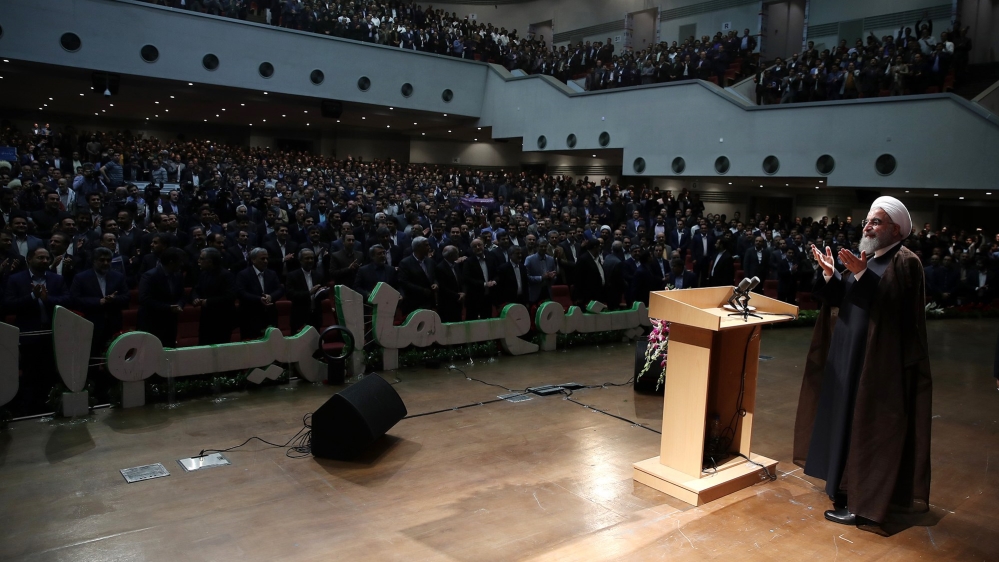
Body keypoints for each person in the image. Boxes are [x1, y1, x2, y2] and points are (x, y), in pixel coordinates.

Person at [793, 196, 931, 536]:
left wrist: (861, 274)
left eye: (876, 221)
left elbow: (899, 311)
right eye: (868, 221)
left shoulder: (905, 262)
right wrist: (831, 275)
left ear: (896, 229)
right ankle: (845, 488)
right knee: (847, 421)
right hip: (848, 357)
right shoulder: (866, 259)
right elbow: (846, 300)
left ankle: (865, 506)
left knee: (870, 428)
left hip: (877, 364)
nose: (867, 226)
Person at [3, 247, 70, 414]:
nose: (45, 261)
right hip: (28, 335)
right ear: (29, 259)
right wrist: (32, 297)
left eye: (47, 258)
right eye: (40, 258)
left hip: (52, 335)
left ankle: (52, 407)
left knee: (51, 373)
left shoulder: (57, 279)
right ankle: (29, 411)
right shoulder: (16, 279)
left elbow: (67, 300)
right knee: (29, 375)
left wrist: (48, 299)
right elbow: (8, 305)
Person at [136, 247, 186, 348]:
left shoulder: (178, 275)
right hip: (152, 322)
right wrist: (168, 307)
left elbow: (182, 295)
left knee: (169, 351)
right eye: (180, 261)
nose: (182, 264)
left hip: (170, 323)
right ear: (171, 262)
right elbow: (144, 299)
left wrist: (179, 305)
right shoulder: (150, 276)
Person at [235, 247, 284, 340]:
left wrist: (271, 297)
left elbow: (280, 290)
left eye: (267, 258)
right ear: (253, 260)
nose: (266, 261)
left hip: (270, 316)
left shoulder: (272, 274)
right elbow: (241, 293)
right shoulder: (243, 274)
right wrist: (259, 299)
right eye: (262, 259)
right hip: (250, 317)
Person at [190, 247, 236, 345]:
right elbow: (196, 289)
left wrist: (207, 302)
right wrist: (195, 298)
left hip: (222, 319)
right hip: (206, 319)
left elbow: (230, 296)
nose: (198, 261)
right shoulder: (203, 274)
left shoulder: (226, 275)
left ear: (210, 262)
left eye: (201, 259)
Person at [286, 248, 328, 333]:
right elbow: (289, 295)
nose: (310, 260)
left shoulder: (318, 275)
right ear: (300, 260)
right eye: (307, 258)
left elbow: (323, 295)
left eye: (312, 258)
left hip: (315, 317)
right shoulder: (292, 276)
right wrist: (309, 293)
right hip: (299, 317)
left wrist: (322, 291)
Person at [397, 237, 438, 315]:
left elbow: (435, 276)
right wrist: (422, 290)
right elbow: (404, 282)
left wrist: (436, 284)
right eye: (426, 245)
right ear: (418, 247)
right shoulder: (405, 263)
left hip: (429, 302)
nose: (429, 247)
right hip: (413, 303)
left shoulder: (430, 261)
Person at [435, 245, 465, 322]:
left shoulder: (456, 265)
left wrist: (463, 293)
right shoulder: (440, 268)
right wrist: (458, 295)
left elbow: (461, 281)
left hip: (457, 303)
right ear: (451, 255)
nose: (458, 255)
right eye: (457, 253)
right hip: (447, 304)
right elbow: (443, 287)